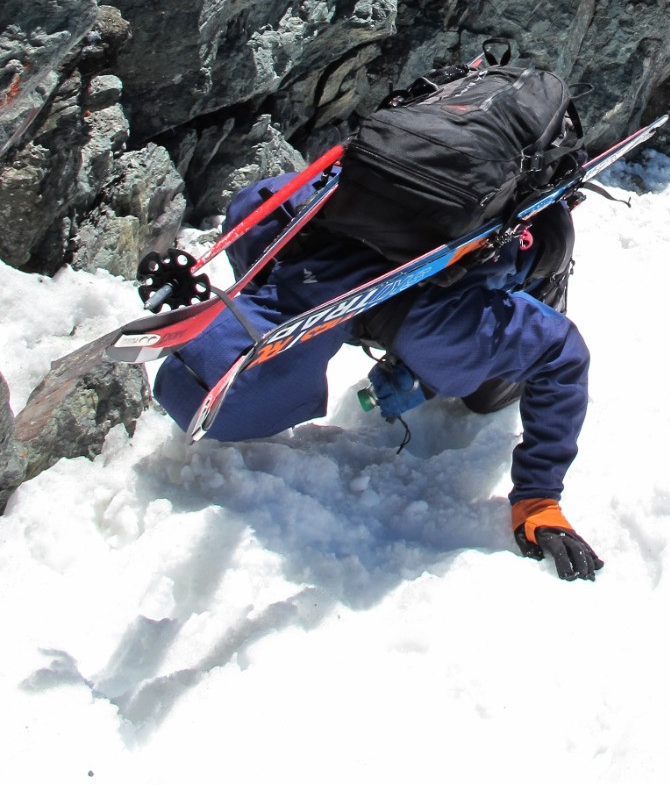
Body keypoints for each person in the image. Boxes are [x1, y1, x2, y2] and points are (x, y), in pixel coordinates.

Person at [152, 164, 605, 581]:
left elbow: (562, 352)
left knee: (482, 399)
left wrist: (538, 497)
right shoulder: (268, 233)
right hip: (413, 209)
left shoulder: (435, 333)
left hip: (535, 239)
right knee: (440, 351)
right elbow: (259, 198)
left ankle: (543, 288)